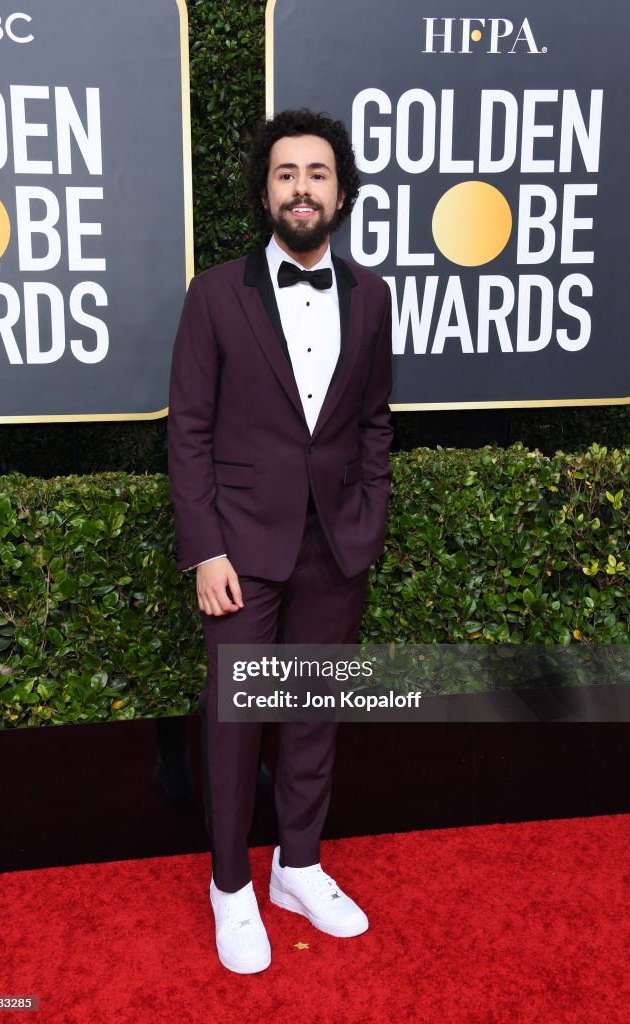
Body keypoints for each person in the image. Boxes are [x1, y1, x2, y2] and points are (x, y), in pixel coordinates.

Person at [168, 108, 393, 974]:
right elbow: (187, 431)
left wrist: (365, 518)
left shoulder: (371, 295)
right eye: (286, 174)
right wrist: (205, 549)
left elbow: (373, 422)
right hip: (239, 552)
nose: (302, 188)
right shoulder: (215, 293)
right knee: (237, 724)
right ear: (265, 191)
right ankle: (231, 886)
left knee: (312, 717)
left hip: (334, 547)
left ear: (341, 192)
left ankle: (298, 868)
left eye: (318, 173)